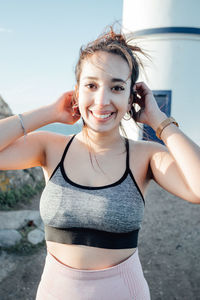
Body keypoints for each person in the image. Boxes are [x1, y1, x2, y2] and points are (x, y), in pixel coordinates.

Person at [0, 27, 200, 300]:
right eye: (91, 86)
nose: (102, 100)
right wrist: (49, 113)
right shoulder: (50, 147)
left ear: (131, 99)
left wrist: (159, 121)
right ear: (76, 93)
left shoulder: (147, 156)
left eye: (117, 87)